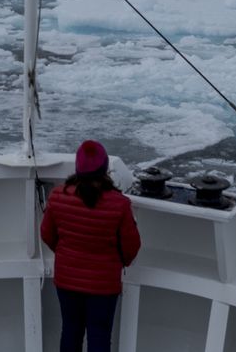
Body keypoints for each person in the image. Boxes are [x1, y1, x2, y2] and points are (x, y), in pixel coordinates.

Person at [40, 140, 142, 352]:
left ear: (77, 168)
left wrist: (66, 252)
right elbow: (131, 247)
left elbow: (47, 234)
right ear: (104, 169)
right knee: (99, 335)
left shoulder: (58, 197)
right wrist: (116, 261)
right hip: (103, 284)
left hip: (67, 280)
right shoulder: (120, 204)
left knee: (70, 330)